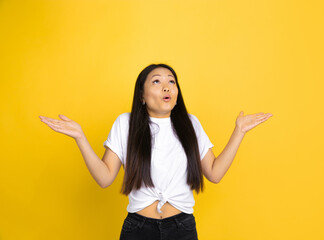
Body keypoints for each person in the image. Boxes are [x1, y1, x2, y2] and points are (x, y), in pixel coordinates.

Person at [39, 63, 273, 240]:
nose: (166, 87)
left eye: (172, 81)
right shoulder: (125, 123)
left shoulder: (190, 124)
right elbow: (104, 178)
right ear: (141, 95)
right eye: (156, 81)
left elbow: (214, 173)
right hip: (138, 229)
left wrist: (239, 131)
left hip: (182, 229)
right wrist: (80, 137)